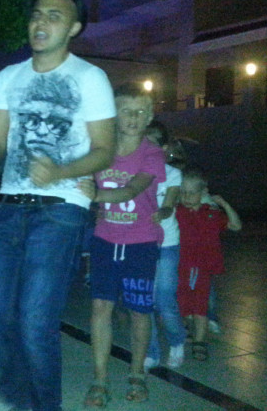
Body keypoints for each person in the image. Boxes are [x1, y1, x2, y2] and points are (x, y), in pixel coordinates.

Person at [0, 0, 116, 411]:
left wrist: (61, 171)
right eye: (37, 15)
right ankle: (17, 395)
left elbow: (105, 149)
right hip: (8, 207)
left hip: (61, 210)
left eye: (54, 16)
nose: (41, 23)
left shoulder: (90, 78)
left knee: (35, 322)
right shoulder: (10, 77)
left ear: (74, 28)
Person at [78, 82, 165, 406]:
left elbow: (132, 190)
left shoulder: (152, 153)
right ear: (114, 114)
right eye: (126, 110)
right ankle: (99, 379)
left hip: (141, 243)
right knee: (101, 308)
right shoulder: (100, 149)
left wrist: (97, 194)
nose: (133, 117)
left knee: (139, 311)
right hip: (104, 240)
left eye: (140, 111)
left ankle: (137, 373)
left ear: (150, 116)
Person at [176, 166, 241, 361]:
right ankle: (186, 329)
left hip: (202, 268)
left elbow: (236, 225)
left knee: (200, 307)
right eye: (183, 192)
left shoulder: (211, 213)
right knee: (181, 304)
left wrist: (224, 205)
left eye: (191, 192)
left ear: (203, 192)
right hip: (181, 267)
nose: (187, 197)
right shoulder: (178, 212)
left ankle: (200, 341)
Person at [143, 120, 187, 370]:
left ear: (163, 148)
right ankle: (151, 351)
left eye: (150, 144)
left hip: (167, 243)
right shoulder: (134, 173)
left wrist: (162, 212)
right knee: (144, 300)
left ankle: (177, 341)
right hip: (141, 243)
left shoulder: (172, 174)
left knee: (164, 300)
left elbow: (169, 205)